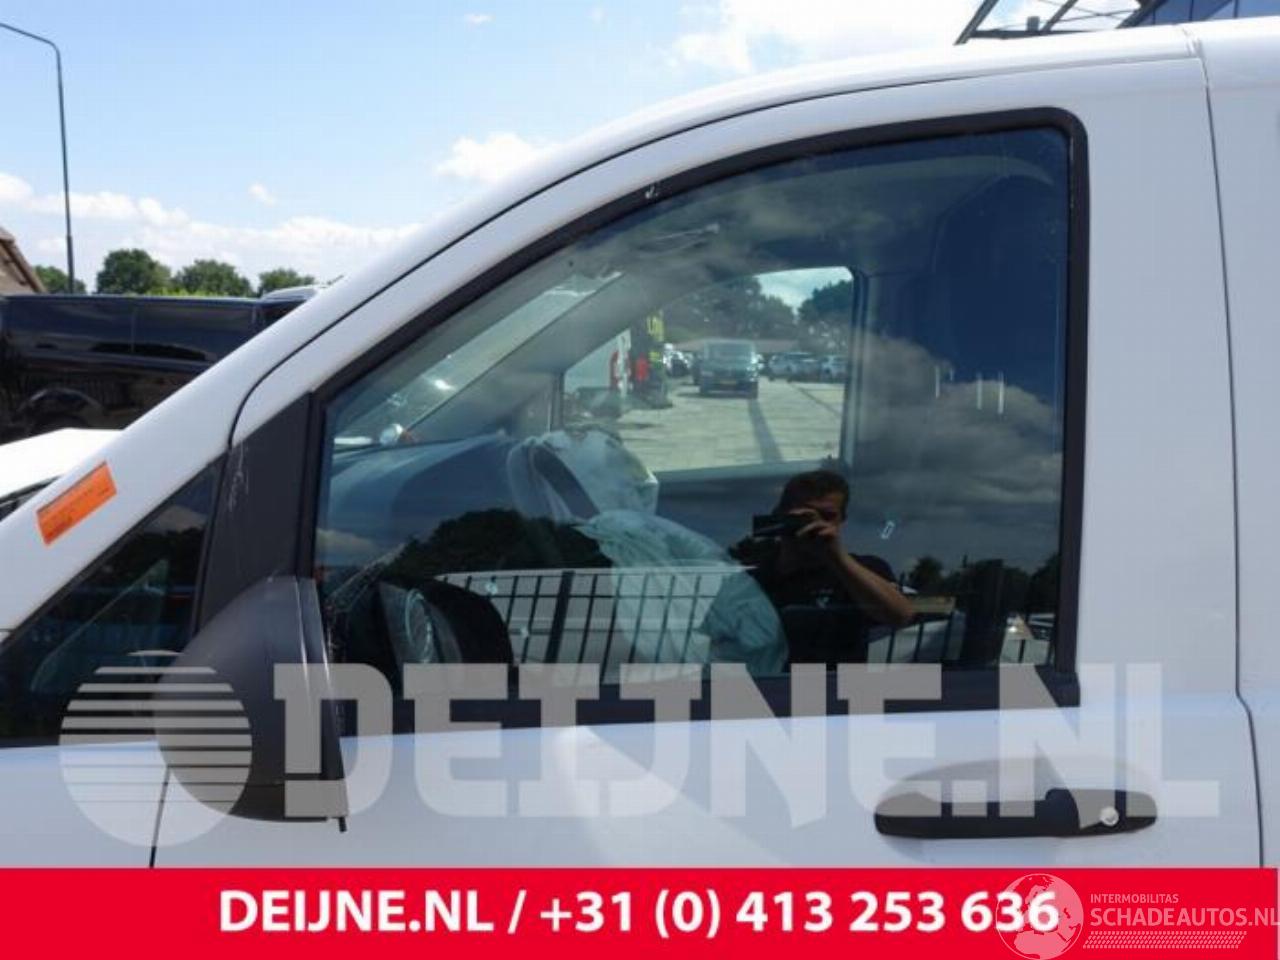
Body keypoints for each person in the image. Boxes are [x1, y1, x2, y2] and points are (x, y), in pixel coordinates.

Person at [734, 469, 914, 669]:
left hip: (836, 687)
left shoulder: (863, 570)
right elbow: (720, 643)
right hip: (766, 685)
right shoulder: (750, 580)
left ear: (841, 521)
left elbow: (900, 616)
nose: (816, 524)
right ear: (780, 515)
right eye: (805, 516)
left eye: (827, 516)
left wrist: (837, 558)